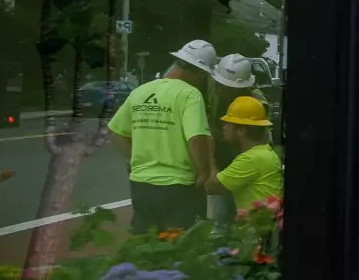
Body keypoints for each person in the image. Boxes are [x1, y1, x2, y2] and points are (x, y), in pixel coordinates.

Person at [108, 39, 218, 232]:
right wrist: (203, 172)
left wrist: (135, 159)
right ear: (200, 73)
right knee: (181, 241)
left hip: (141, 184)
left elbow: (116, 131)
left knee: (145, 241)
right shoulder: (190, 95)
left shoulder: (140, 92)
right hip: (178, 186)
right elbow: (196, 138)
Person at [205, 96, 284, 214]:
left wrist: (210, 154)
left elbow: (212, 187)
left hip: (257, 224)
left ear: (241, 131)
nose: (223, 128)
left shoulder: (251, 159)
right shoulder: (264, 153)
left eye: (228, 124)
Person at [208, 53, 261, 226]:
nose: (223, 90)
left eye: (228, 87)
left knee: (246, 221)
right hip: (221, 164)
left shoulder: (257, 103)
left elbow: (258, 143)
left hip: (245, 169)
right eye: (221, 85)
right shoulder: (215, 94)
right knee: (221, 221)